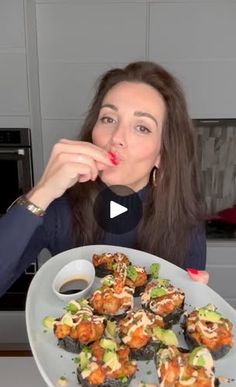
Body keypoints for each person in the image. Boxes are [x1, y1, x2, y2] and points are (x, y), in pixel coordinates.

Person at [0, 61, 207, 297]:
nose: (116, 137)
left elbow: (187, 303)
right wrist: (43, 191)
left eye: (142, 127)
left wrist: (193, 299)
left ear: (162, 154)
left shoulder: (183, 215)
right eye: (108, 119)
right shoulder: (61, 205)